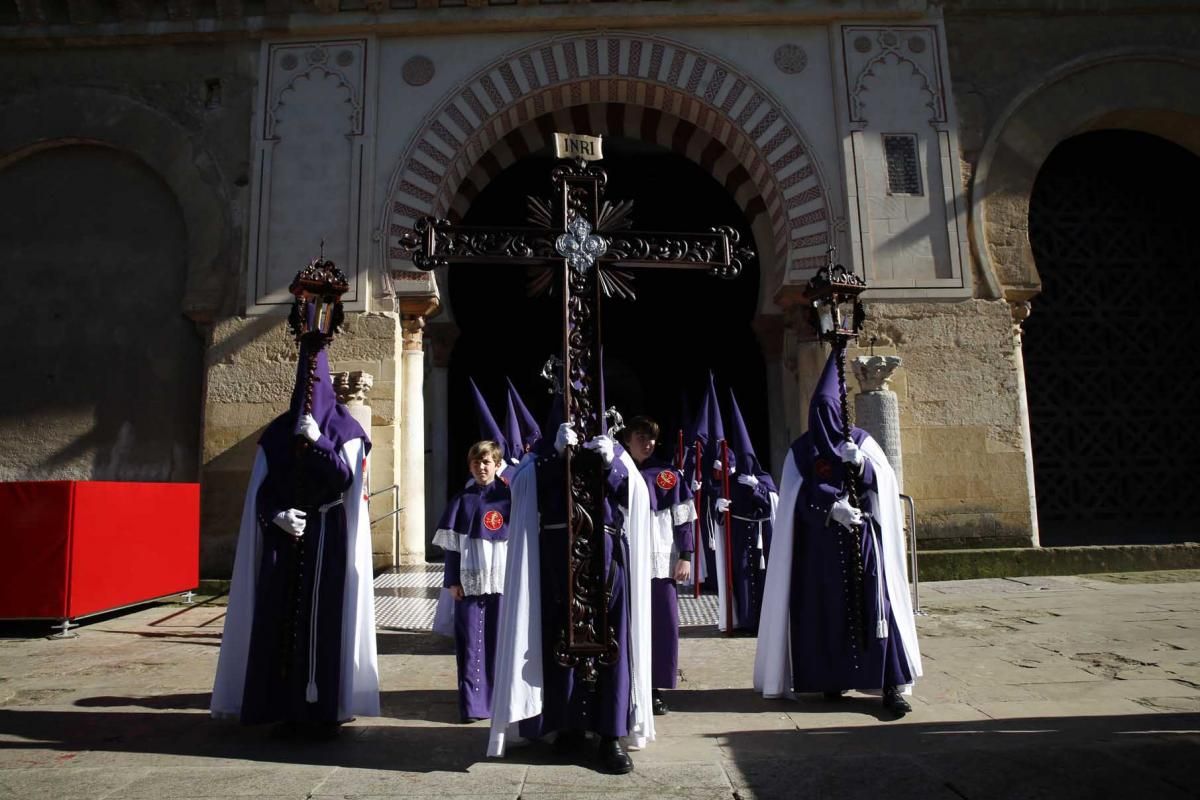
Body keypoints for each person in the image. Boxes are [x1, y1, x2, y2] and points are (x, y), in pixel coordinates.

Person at [211, 328, 379, 733]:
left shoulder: (346, 432)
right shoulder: (277, 433)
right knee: (278, 619)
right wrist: (276, 515)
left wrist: (321, 442)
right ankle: (278, 704)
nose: (308, 397)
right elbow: (262, 492)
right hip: (283, 542)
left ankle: (322, 709)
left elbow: (345, 482)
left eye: (315, 386)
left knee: (323, 621)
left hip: (326, 537)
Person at [753, 346, 921, 716]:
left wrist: (863, 467)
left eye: (831, 413)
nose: (826, 420)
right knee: (825, 613)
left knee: (878, 610)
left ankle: (889, 683)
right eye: (819, 414)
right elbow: (793, 501)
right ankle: (831, 678)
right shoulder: (801, 452)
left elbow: (885, 484)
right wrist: (829, 510)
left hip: (862, 545)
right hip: (820, 552)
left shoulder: (860, 443)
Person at [488, 421, 655, 774]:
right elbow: (518, 490)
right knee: (558, 639)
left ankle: (610, 733)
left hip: (605, 558)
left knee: (612, 642)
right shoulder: (545, 449)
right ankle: (568, 726)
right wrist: (553, 457)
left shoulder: (612, 446)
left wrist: (613, 465)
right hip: (556, 560)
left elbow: (639, 497)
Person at [432, 440, 512, 723]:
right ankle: (473, 705)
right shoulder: (461, 501)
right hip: (469, 582)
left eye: (487, 462)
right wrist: (452, 581)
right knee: (470, 646)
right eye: (477, 462)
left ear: (497, 464)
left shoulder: (510, 498)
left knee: (499, 642)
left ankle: (500, 702)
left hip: (502, 582)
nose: (482, 467)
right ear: (470, 466)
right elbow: (452, 547)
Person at [621, 416, 695, 715]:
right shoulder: (615, 472)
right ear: (627, 439)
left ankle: (653, 689)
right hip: (625, 562)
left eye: (651, 438)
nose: (648, 443)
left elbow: (684, 517)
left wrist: (686, 555)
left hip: (660, 562)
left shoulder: (668, 475)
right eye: (641, 436)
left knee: (661, 627)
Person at [710, 389, 778, 634]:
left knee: (763, 576)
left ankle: (765, 621)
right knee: (741, 573)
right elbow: (719, 507)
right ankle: (745, 621)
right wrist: (719, 508)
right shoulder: (730, 482)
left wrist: (758, 487)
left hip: (762, 534)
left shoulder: (762, 477)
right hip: (739, 533)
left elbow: (773, 501)